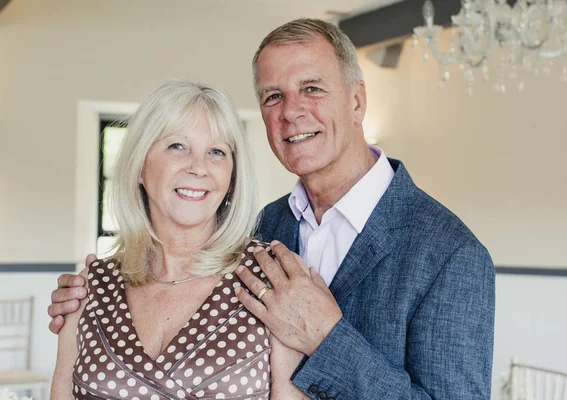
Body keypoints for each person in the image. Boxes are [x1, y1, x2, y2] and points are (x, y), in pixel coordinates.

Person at [49, 19, 495, 400]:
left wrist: (327, 338)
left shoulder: (450, 255)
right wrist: (89, 304)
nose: (292, 112)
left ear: (357, 101)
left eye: (312, 88)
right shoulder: (262, 228)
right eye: (272, 97)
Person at [50, 81, 308, 399]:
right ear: (140, 166)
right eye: (177, 146)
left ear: (232, 178)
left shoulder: (270, 276)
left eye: (216, 152)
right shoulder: (90, 286)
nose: (198, 167)